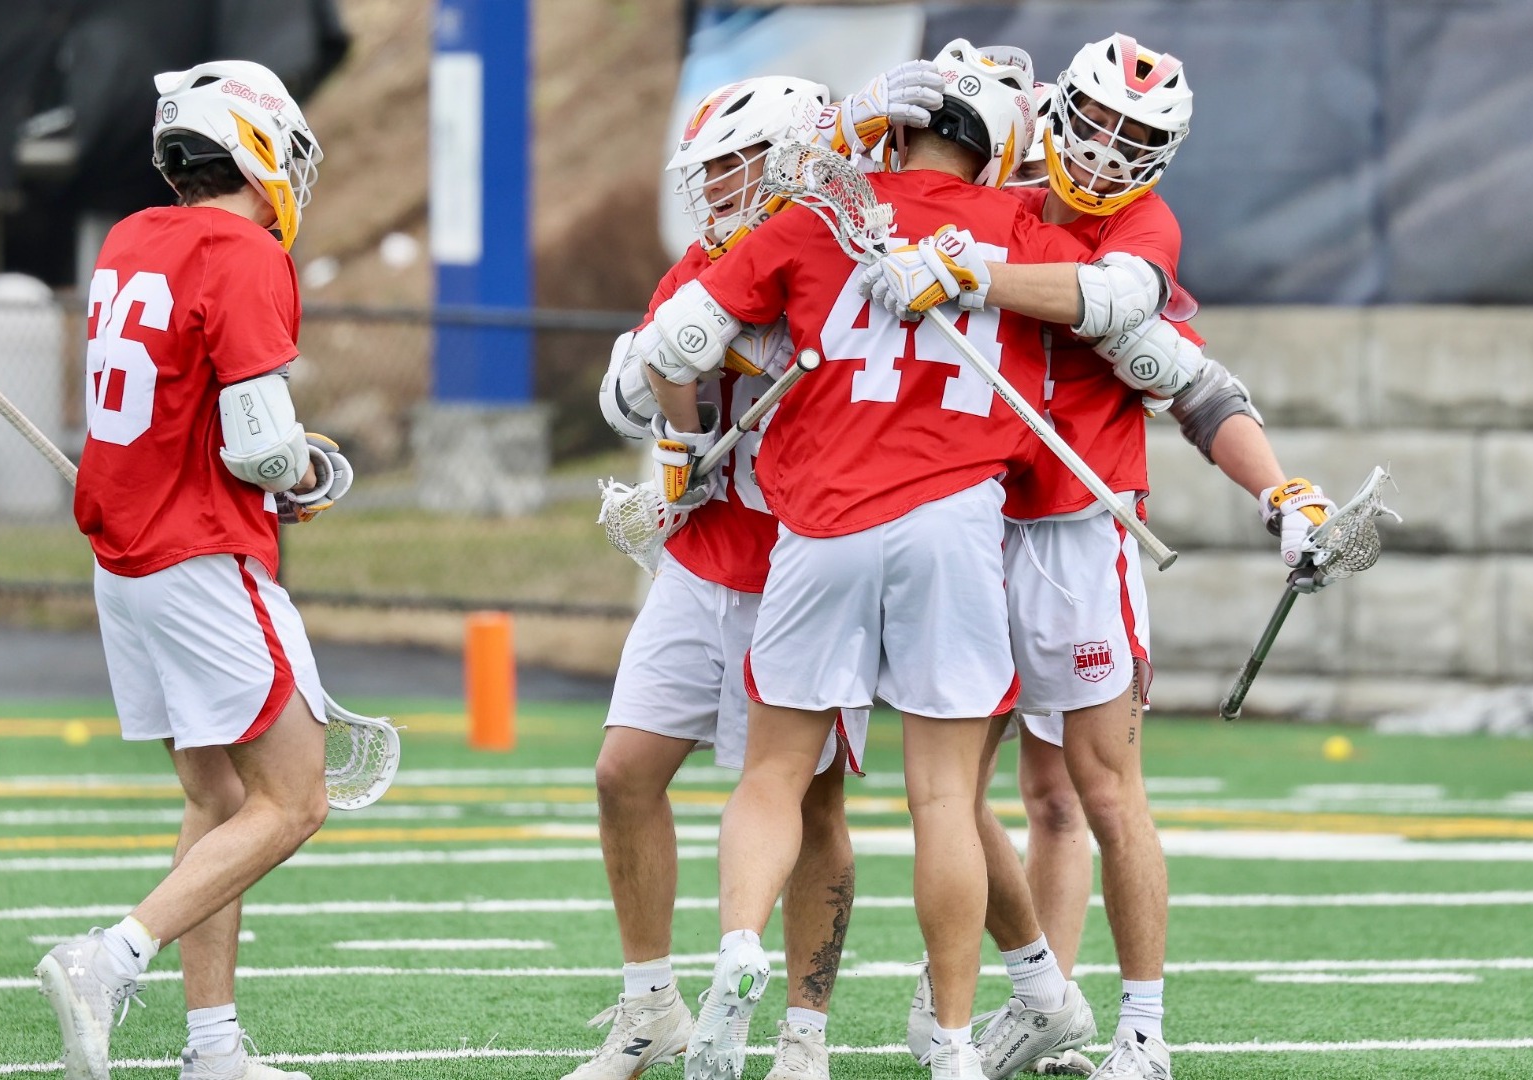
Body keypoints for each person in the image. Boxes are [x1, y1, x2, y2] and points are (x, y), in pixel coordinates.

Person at [644, 39, 1168, 1080]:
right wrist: (981, 265)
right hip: (952, 525)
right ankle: (959, 1046)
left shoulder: (811, 218)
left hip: (820, 524)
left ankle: (741, 949)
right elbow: (1121, 304)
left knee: (772, 776)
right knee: (946, 800)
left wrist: (677, 442)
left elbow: (673, 349)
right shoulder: (1023, 227)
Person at [863, 34, 1337, 1080]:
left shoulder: (1135, 227)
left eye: (1140, 137)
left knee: (1092, 792)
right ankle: (1034, 984)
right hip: (965, 511)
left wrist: (1281, 493)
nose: (1113, 150)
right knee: (949, 787)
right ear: (1054, 108)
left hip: (1082, 525)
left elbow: (1150, 339)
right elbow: (888, 179)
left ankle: (1142, 1033)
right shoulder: (998, 167)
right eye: (1102, 122)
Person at [573, 64, 943, 1080]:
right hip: (702, 564)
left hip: (808, 565)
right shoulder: (709, 263)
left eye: (737, 163)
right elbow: (626, 389)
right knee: (623, 772)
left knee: (810, 805)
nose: (718, 185)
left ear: (791, 162)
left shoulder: (848, 259)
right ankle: (651, 1004)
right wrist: (682, 414)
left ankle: (804, 1036)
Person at [35, 59, 351, 1080]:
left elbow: (190, 407)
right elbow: (259, 445)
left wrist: (272, 465)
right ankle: (111, 957)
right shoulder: (244, 250)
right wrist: (306, 470)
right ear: (257, 154)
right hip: (199, 556)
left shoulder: (132, 236)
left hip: (124, 563)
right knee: (296, 797)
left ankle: (213, 1048)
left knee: (218, 796)